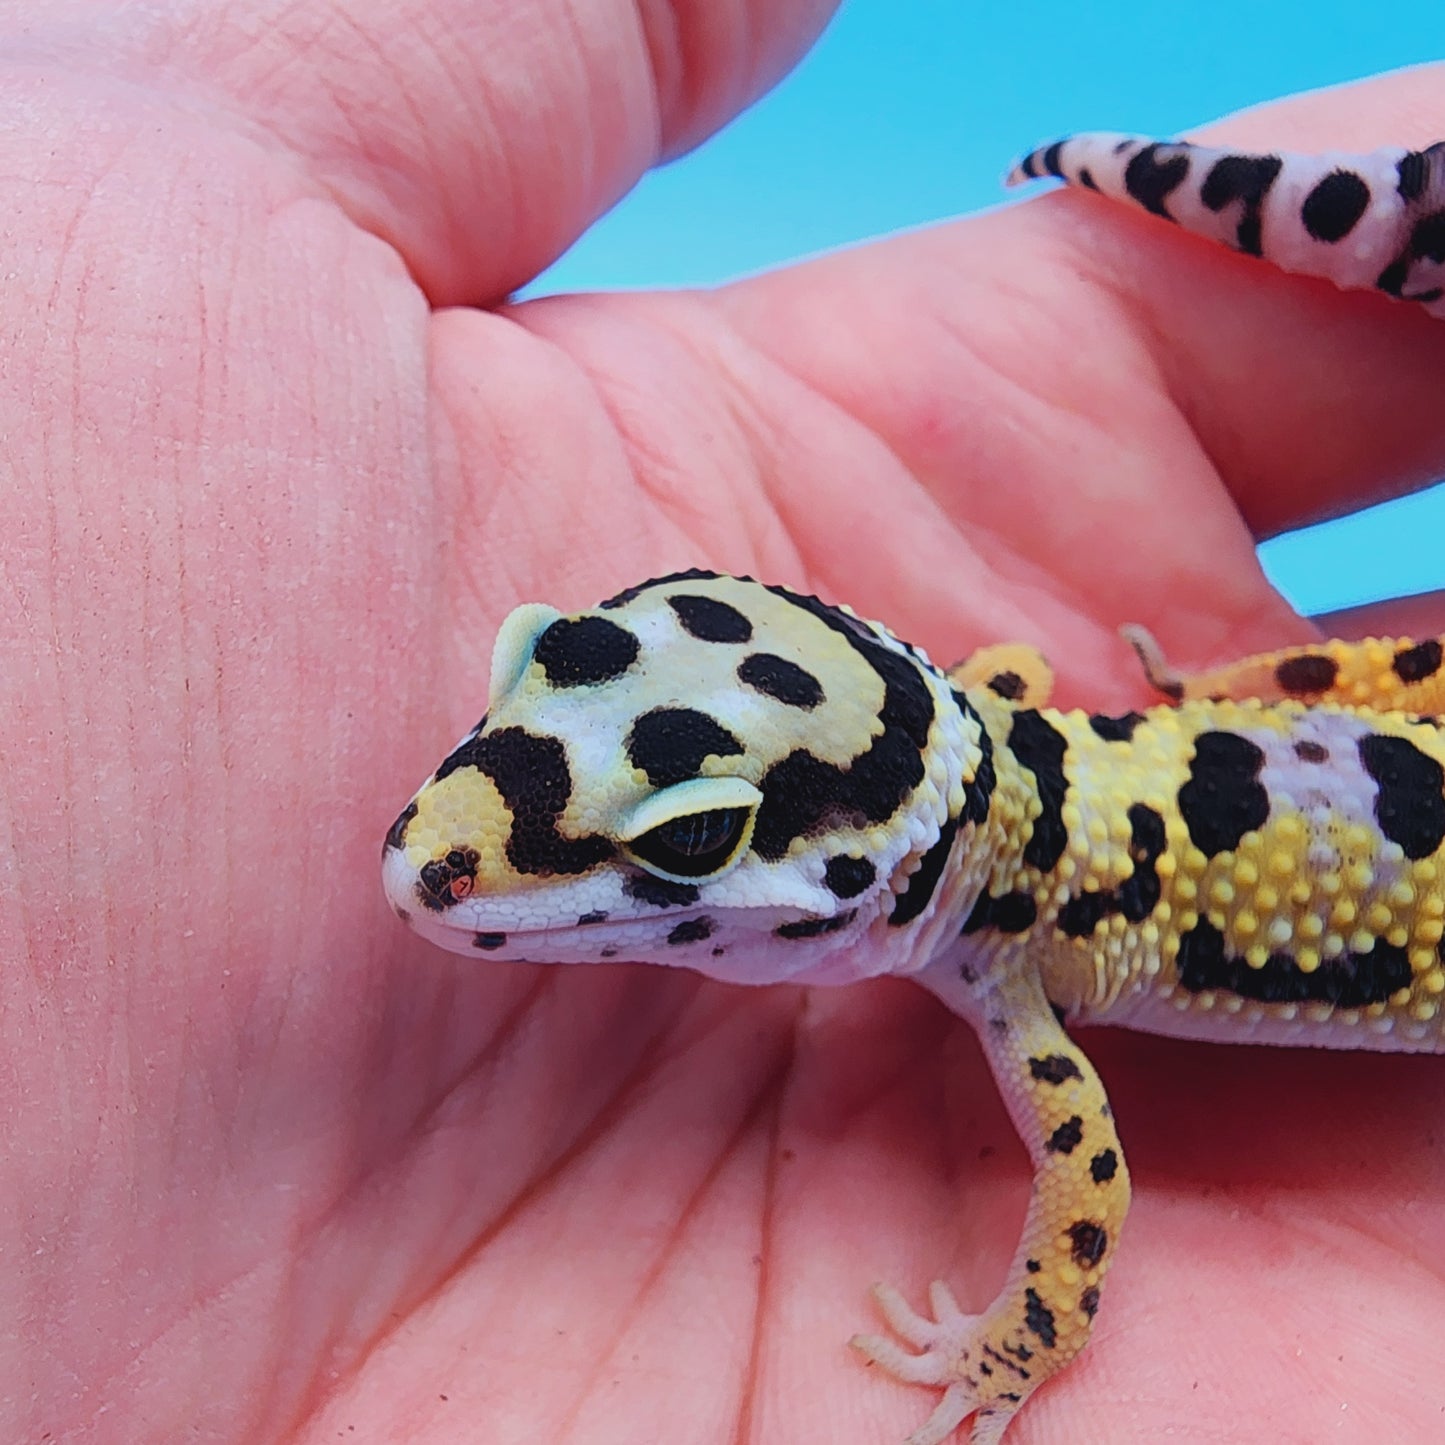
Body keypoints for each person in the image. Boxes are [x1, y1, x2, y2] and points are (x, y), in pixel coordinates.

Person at [5, 5, 1443, 1441]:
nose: (435, 858)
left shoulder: (1017, 965)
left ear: (889, 866)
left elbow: (1088, 1187)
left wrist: (1009, 1350)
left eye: (683, 840)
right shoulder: (992, 783)